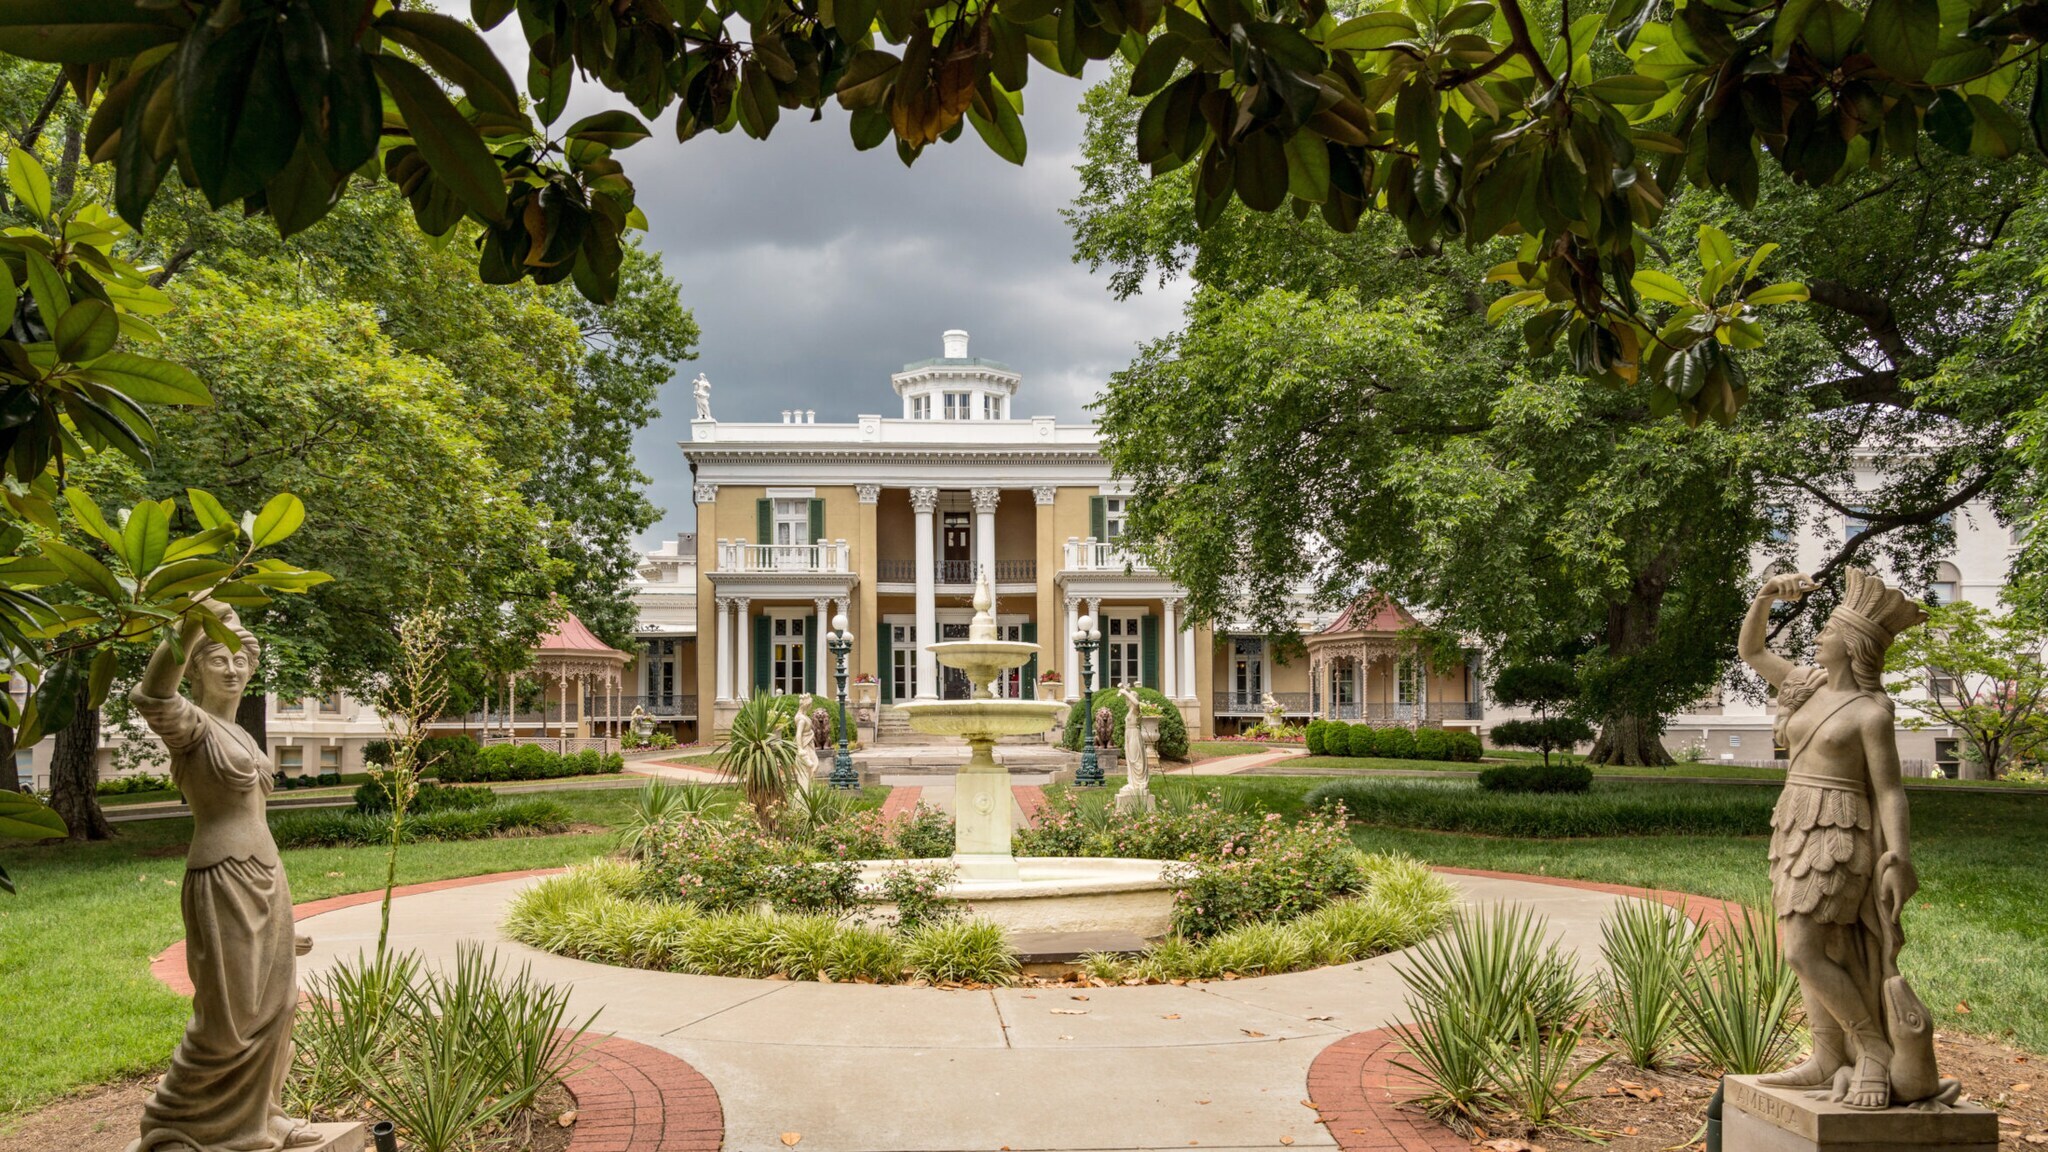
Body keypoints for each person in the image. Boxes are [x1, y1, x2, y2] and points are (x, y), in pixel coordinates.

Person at [1737, 568, 1951, 1109]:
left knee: (1803, 951)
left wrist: (1898, 856)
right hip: (1793, 824)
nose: (1818, 637)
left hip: (1841, 829)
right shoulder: (1804, 685)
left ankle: (1873, 1049)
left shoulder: (1871, 711)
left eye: (1829, 630)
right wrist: (1764, 596)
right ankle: (1827, 1054)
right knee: (1819, 945)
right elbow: (1753, 651)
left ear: (1853, 646)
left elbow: (1890, 791)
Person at [128, 601, 318, 1152]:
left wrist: (285, 911)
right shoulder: (191, 726)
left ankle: (264, 1114)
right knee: (228, 1017)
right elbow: (151, 695)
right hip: (221, 879)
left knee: (278, 1005)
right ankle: (179, 1119)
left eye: (240, 660)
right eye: (217, 659)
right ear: (196, 667)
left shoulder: (244, 737)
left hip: (265, 877)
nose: (232, 669)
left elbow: (254, 818)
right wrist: (186, 630)